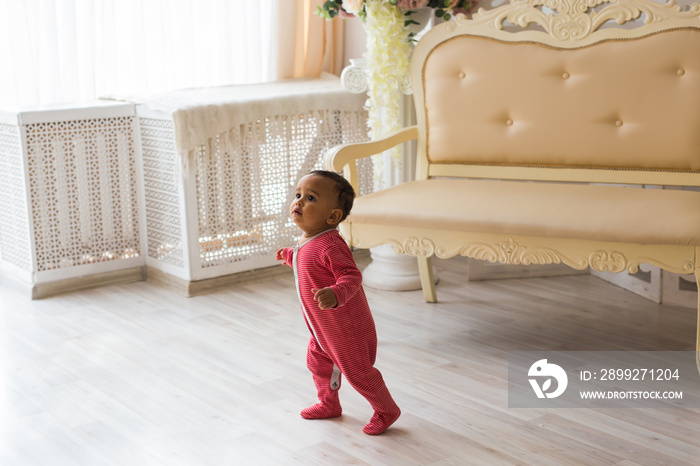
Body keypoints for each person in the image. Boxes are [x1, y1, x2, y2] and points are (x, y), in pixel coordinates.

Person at [276, 170, 401, 435]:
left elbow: (352, 276)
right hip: (322, 328)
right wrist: (292, 256)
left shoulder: (330, 244)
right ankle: (328, 403)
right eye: (297, 195)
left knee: (358, 373)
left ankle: (386, 409)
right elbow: (309, 262)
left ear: (332, 216)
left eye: (310, 198)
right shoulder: (309, 239)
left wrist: (336, 293)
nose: (297, 202)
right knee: (318, 364)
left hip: (345, 328)